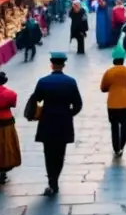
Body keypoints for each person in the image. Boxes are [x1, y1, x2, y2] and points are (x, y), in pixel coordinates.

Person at [24, 52, 83, 196]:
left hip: (47, 121)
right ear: (63, 65)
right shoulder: (71, 82)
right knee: (60, 153)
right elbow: (78, 104)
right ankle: (56, 177)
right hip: (64, 122)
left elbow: (35, 99)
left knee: (48, 153)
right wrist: (69, 114)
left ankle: (52, 181)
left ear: (51, 64)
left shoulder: (43, 81)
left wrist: (34, 114)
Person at [100, 45, 126, 157]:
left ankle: (116, 148)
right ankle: (122, 145)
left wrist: (111, 87)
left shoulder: (109, 72)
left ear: (113, 60)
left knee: (114, 127)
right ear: (123, 60)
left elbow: (103, 88)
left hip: (112, 105)